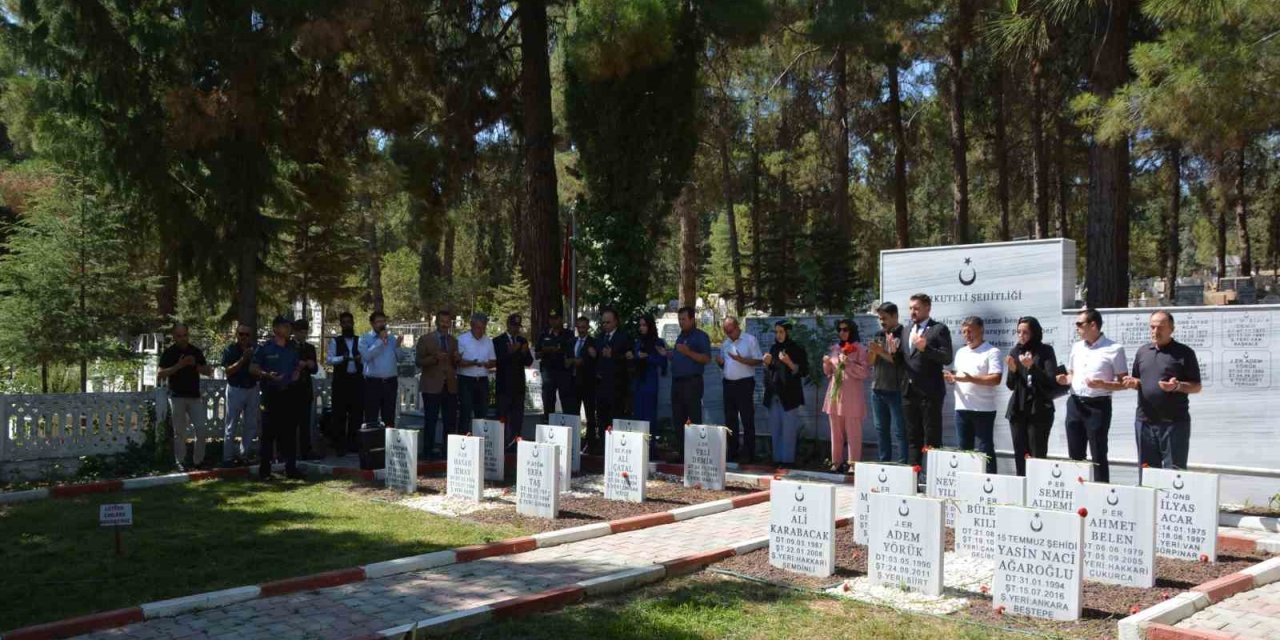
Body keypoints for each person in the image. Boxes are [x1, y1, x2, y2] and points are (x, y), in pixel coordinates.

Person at [1122, 310, 1202, 473]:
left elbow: (1196, 386)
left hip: (1173, 424)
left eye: (1160, 327)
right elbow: (1139, 380)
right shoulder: (1143, 352)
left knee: (1174, 473)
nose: (1155, 331)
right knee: (1147, 472)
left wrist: (1177, 386)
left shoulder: (1184, 353)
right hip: (1144, 422)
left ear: (1171, 329)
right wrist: (1132, 382)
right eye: (1152, 327)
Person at [1057, 308, 1127, 483]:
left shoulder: (1114, 349)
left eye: (1080, 324)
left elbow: (1124, 383)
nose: (1077, 328)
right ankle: (1078, 492)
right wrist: (1065, 379)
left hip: (1098, 405)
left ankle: (1101, 494)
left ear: (1093, 325)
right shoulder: (1077, 347)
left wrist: (1103, 384)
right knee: (1075, 453)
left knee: (1098, 453)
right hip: (1075, 403)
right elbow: (1072, 373)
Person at [944, 316, 1003, 474]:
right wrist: (951, 379)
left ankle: (990, 482)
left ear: (981, 330)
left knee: (985, 449)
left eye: (970, 331)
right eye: (964, 332)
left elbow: (995, 379)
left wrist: (971, 379)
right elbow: (958, 376)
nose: (967, 335)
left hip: (983, 409)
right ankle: (967, 481)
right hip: (962, 408)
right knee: (964, 449)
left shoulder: (992, 351)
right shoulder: (961, 352)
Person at [251, 316, 305, 480]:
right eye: (284, 326)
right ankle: (265, 472)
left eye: (289, 326)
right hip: (271, 394)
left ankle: (290, 468)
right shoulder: (265, 348)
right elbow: (253, 368)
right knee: (268, 434)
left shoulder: (292, 348)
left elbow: (296, 366)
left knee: (289, 433)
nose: (288, 329)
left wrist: (297, 373)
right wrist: (267, 374)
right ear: (275, 329)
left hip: (289, 394)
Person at [902, 293, 953, 467]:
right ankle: (913, 478)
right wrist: (893, 352)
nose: (912, 312)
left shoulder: (939, 329)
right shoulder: (906, 330)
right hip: (909, 392)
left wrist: (926, 348)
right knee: (912, 437)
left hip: (930, 393)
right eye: (910, 308)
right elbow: (905, 360)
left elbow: (946, 358)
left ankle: (933, 478)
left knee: (932, 438)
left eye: (916, 308)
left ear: (927, 308)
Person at [1005, 316, 1059, 476]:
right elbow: (1011, 385)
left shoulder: (1045, 351)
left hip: (1039, 410)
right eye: (1018, 332)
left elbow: (1050, 381)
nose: (1021, 336)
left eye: (1025, 332)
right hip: (1018, 409)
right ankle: (1020, 488)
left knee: (1037, 455)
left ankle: (1037, 490)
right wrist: (1014, 370)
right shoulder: (1015, 351)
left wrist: (1032, 367)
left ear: (1034, 333)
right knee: (1020, 454)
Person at [157, 323, 214, 471]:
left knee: (201, 429)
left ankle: (198, 461)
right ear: (174, 337)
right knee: (179, 432)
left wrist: (196, 365)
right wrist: (179, 365)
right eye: (179, 336)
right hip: (177, 396)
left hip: (194, 396)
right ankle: (180, 461)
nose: (183, 339)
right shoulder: (169, 353)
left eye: (185, 335)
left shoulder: (195, 351)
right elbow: (160, 374)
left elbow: (208, 371)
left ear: (188, 335)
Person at [822, 319, 870, 473]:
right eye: (840, 330)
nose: (842, 333)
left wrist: (848, 362)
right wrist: (827, 364)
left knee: (853, 431)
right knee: (835, 430)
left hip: (852, 395)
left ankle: (853, 463)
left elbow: (864, 372)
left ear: (852, 331)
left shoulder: (860, 349)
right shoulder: (836, 348)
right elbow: (829, 373)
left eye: (845, 330)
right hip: (835, 394)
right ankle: (836, 462)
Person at [717, 316, 763, 463]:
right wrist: (721, 363)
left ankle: (749, 453)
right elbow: (725, 365)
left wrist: (740, 359)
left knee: (747, 418)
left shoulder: (750, 340)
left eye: (730, 331)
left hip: (745, 383)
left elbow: (758, 360)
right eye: (726, 332)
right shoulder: (725, 344)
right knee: (730, 420)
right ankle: (732, 451)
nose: (729, 334)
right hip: (728, 384)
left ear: (737, 327)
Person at [762, 320, 808, 468]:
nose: (778, 335)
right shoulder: (774, 348)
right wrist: (767, 363)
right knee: (775, 429)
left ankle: (787, 461)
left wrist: (789, 362)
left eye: (781, 332)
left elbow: (803, 371)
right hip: (774, 395)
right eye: (776, 332)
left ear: (788, 332)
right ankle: (777, 460)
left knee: (788, 430)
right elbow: (771, 371)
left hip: (789, 396)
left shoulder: (797, 348)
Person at [867, 302, 908, 463]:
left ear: (895, 316)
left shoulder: (904, 334)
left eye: (884, 318)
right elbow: (871, 362)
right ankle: (884, 464)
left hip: (896, 389)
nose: (882, 322)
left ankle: (904, 465)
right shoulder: (879, 334)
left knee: (900, 431)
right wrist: (872, 352)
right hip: (877, 389)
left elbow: (900, 361)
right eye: (880, 318)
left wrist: (880, 351)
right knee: (881, 430)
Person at [416, 309, 459, 459]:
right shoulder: (425, 339)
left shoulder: (454, 341)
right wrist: (435, 358)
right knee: (431, 421)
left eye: (447, 322)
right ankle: (428, 452)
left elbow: (455, 364)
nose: (445, 324)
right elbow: (418, 361)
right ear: (436, 322)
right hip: (431, 386)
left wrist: (457, 358)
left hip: (450, 386)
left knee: (450, 421)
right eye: (442, 321)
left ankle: (448, 452)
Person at [591, 308, 630, 454]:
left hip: (616, 386)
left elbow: (627, 360)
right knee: (601, 418)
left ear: (616, 322)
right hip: (601, 385)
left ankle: (616, 448)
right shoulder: (600, 338)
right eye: (603, 322)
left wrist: (613, 354)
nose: (605, 325)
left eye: (608, 322)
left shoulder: (623, 338)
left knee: (615, 417)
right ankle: (602, 446)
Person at [220, 323, 259, 467]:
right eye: (241, 334)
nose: (243, 337)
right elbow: (228, 371)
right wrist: (243, 359)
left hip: (252, 388)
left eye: (246, 335)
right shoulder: (230, 350)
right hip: (235, 389)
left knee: (250, 424)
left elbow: (260, 367)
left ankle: (243, 455)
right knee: (231, 425)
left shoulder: (256, 349)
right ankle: (228, 457)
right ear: (237, 335)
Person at [326, 311, 363, 455]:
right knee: (339, 414)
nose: (347, 325)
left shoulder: (360, 340)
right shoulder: (336, 341)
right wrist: (343, 358)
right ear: (341, 324)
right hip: (341, 382)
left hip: (357, 381)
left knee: (356, 414)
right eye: (344, 322)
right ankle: (339, 445)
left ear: (353, 323)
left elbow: (366, 357)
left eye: (349, 322)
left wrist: (360, 358)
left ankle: (354, 444)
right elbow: (329, 359)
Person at [493, 313, 533, 444]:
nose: (516, 329)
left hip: (518, 386)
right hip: (504, 385)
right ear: (508, 325)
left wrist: (523, 352)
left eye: (518, 326)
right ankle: (501, 442)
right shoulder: (498, 341)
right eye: (513, 325)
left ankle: (515, 442)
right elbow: (498, 361)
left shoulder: (522, 341)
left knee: (517, 418)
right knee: (502, 416)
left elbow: (528, 362)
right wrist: (511, 352)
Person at [359, 311, 402, 428]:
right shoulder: (364, 339)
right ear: (372, 324)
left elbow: (400, 358)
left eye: (383, 321)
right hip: (372, 383)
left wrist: (398, 346)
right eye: (378, 322)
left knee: (389, 417)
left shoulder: (392, 338)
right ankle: (371, 443)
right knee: (371, 417)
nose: (381, 324)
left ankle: (388, 444)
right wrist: (380, 341)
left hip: (390, 382)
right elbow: (367, 356)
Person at [457, 313, 497, 431]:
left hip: (482, 380)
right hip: (466, 380)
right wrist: (473, 363)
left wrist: (489, 364)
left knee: (482, 412)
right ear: (471, 325)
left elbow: (493, 361)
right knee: (465, 411)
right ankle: (463, 439)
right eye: (478, 328)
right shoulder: (462, 339)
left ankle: (480, 439)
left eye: (483, 328)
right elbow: (458, 361)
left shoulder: (488, 341)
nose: (481, 331)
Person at [628, 314, 668, 425]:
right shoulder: (638, 342)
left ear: (650, 326)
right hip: (638, 383)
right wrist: (632, 357)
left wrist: (648, 357)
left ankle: (650, 441)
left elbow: (663, 363)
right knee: (638, 416)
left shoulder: (658, 342)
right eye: (640, 325)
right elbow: (636, 357)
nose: (641, 328)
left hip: (650, 383)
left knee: (649, 416)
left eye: (644, 325)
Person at [537, 309, 576, 424]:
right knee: (548, 400)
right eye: (551, 319)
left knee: (567, 401)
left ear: (561, 319)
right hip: (548, 372)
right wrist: (547, 350)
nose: (553, 321)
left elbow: (571, 352)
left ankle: (569, 426)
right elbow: (537, 354)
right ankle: (548, 424)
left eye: (556, 319)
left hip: (564, 372)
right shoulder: (544, 334)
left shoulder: (568, 334)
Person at [290, 319, 320, 460]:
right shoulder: (289, 346)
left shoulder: (309, 348)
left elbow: (314, 369)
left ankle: (306, 450)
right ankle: (289, 451)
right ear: (295, 332)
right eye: (301, 332)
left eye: (305, 332)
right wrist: (300, 364)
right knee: (290, 422)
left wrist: (309, 364)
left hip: (305, 389)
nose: (303, 334)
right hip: (291, 389)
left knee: (305, 423)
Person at [569, 316, 597, 433]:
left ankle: (590, 443)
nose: (581, 330)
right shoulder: (572, 342)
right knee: (573, 414)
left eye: (583, 327)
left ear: (588, 328)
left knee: (590, 414)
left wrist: (583, 361)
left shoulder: (593, 342)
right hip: (573, 382)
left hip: (588, 383)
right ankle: (574, 440)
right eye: (579, 327)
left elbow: (596, 361)